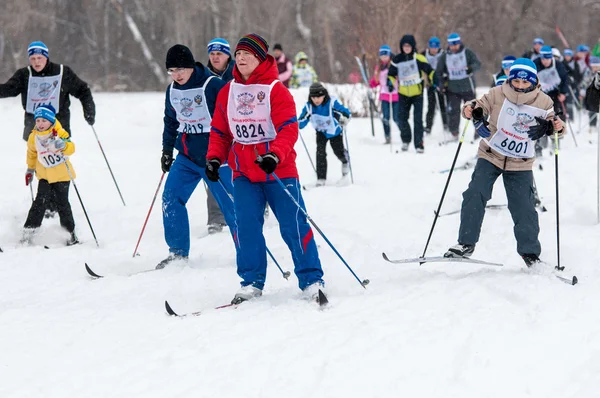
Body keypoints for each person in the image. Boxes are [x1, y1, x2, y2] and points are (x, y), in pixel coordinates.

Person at [206, 33, 326, 304]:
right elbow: (220, 131)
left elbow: (288, 128)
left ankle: (311, 279)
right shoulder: (228, 91)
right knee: (246, 227)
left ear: (260, 58)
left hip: (277, 170)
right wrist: (214, 158)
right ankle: (251, 281)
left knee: (293, 225)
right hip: (244, 172)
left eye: (247, 54)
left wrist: (275, 154)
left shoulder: (275, 89)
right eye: (237, 54)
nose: (241, 58)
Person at [444, 58, 564, 266]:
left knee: (524, 207)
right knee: (475, 193)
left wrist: (553, 127)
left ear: (534, 82)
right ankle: (465, 243)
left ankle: (530, 254)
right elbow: (474, 106)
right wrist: (471, 110)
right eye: (516, 81)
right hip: (491, 153)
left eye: (525, 83)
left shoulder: (544, 102)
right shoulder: (497, 93)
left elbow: (557, 127)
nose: (519, 86)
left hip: (520, 162)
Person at [158, 44, 238, 269]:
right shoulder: (172, 90)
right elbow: (170, 120)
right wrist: (166, 150)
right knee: (171, 199)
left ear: (191, 66)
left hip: (216, 157)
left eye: (181, 69)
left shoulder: (211, 84)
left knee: (232, 207)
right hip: (187, 156)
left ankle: (247, 251)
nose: (177, 75)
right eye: (172, 71)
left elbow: (230, 115)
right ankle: (178, 252)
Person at [0, 41, 95, 141]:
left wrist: (89, 111)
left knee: (58, 155)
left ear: (46, 57)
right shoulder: (24, 74)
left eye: (39, 58)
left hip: (59, 129)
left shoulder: (62, 72)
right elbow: (8, 89)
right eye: (33, 58)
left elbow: (83, 90)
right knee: (35, 157)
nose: (36, 62)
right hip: (34, 131)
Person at [22, 105, 78, 246]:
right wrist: (30, 169)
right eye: (38, 120)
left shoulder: (58, 132)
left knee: (63, 204)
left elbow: (71, 148)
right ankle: (29, 231)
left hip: (62, 176)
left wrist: (64, 146)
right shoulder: (33, 137)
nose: (40, 124)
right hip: (44, 176)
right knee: (40, 202)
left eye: (44, 120)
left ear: (51, 121)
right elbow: (32, 154)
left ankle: (69, 234)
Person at [206, 37, 235, 234]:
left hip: (238, 128)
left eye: (220, 54)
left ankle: (260, 205)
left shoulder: (238, 72)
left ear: (228, 55)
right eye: (212, 54)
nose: (216, 58)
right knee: (213, 170)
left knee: (243, 171)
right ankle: (216, 218)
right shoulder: (204, 76)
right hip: (214, 130)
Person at [387, 34, 436, 153]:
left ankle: (419, 144)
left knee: (417, 119)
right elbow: (391, 74)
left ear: (413, 46)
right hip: (403, 93)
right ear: (401, 46)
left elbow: (430, 71)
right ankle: (406, 139)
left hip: (417, 93)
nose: (407, 48)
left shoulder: (418, 58)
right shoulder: (397, 59)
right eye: (404, 45)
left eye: (409, 45)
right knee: (402, 118)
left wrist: (435, 80)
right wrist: (390, 82)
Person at [298, 82, 351, 186]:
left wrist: (345, 118)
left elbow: (345, 112)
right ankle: (321, 178)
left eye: (319, 97)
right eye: (313, 97)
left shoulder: (331, 102)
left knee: (338, 151)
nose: (316, 100)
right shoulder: (309, 107)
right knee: (320, 152)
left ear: (324, 95)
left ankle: (345, 160)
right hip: (321, 132)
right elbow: (302, 119)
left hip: (335, 132)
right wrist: (297, 124)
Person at [435, 32, 481, 139]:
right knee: (453, 111)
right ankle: (454, 132)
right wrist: (441, 83)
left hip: (467, 87)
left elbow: (477, 64)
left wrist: (471, 68)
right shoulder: (445, 55)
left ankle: (478, 130)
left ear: (459, 43)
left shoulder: (467, 52)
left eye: (456, 44)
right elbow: (439, 71)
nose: (454, 47)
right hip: (453, 88)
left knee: (473, 109)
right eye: (452, 45)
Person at [534, 45, 569, 155]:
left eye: (547, 59)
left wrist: (563, 93)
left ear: (551, 58)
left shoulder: (558, 65)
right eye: (543, 59)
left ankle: (555, 140)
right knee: (540, 117)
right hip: (540, 95)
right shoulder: (535, 64)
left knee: (555, 116)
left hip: (555, 94)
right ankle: (539, 144)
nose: (545, 62)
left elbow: (565, 79)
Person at [370, 44, 400, 144]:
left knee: (396, 118)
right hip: (384, 95)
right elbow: (376, 81)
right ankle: (387, 136)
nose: (384, 58)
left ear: (389, 55)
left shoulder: (394, 64)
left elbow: (399, 77)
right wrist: (371, 84)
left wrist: (393, 82)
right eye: (382, 56)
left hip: (395, 94)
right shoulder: (378, 67)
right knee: (386, 118)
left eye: (385, 56)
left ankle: (405, 133)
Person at [422, 37, 448, 133]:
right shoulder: (424, 54)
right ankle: (428, 126)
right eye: (432, 47)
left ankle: (446, 123)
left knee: (443, 105)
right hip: (430, 84)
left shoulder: (443, 54)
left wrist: (444, 81)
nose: (434, 50)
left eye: (435, 47)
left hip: (441, 83)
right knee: (431, 106)